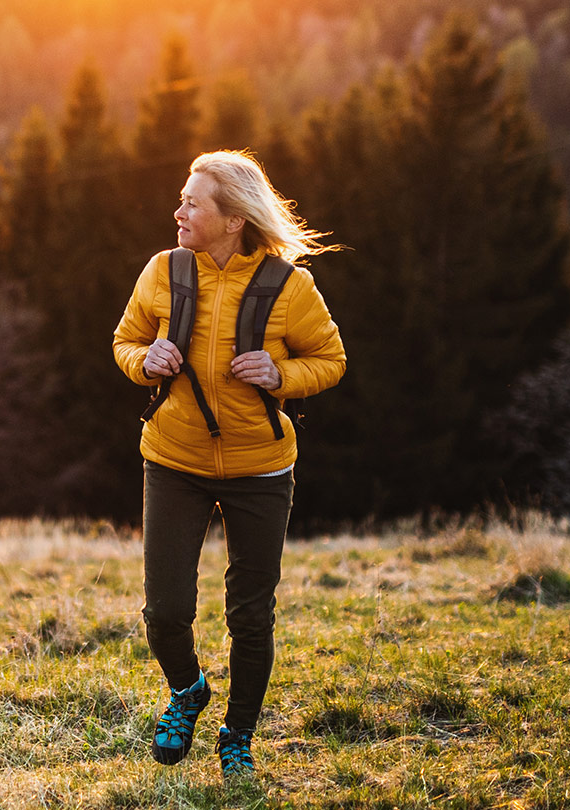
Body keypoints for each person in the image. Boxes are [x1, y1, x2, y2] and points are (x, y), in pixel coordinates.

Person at [110, 150, 346, 776]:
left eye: (193, 202)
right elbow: (124, 340)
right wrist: (145, 361)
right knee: (164, 611)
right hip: (174, 459)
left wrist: (282, 374)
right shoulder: (163, 272)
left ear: (233, 219)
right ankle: (188, 691)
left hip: (261, 470)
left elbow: (331, 359)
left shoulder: (290, 287)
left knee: (250, 614)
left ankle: (237, 732)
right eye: (183, 197)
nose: (179, 210)